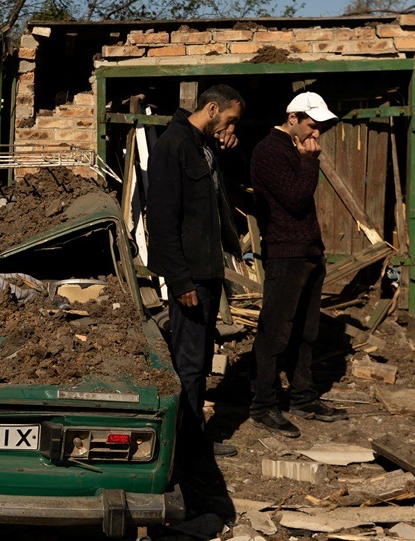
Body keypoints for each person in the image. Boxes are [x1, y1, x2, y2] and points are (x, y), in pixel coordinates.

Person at [146, 85, 245, 460]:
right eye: (230, 119)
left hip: (207, 269)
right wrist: (179, 279)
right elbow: (161, 219)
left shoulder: (204, 146)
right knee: (188, 361)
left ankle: (191, 439)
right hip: (190, 275)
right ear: (212, 108)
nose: (231, 125)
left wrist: (229, 150)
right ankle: (186, 448)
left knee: (200, 358)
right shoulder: (173, 145)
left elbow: (223, 196)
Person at [247, 91, 348, 438]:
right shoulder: (270, 150)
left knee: (306, 332)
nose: (316, 134)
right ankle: (263, 405)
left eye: (320, 128)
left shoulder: (294, 148)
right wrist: (310, 163)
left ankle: (303, 398)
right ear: (293, 118)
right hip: (285, 251)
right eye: (312, 125)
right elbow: (295, 199)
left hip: (307, 250)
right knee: (275, 331)